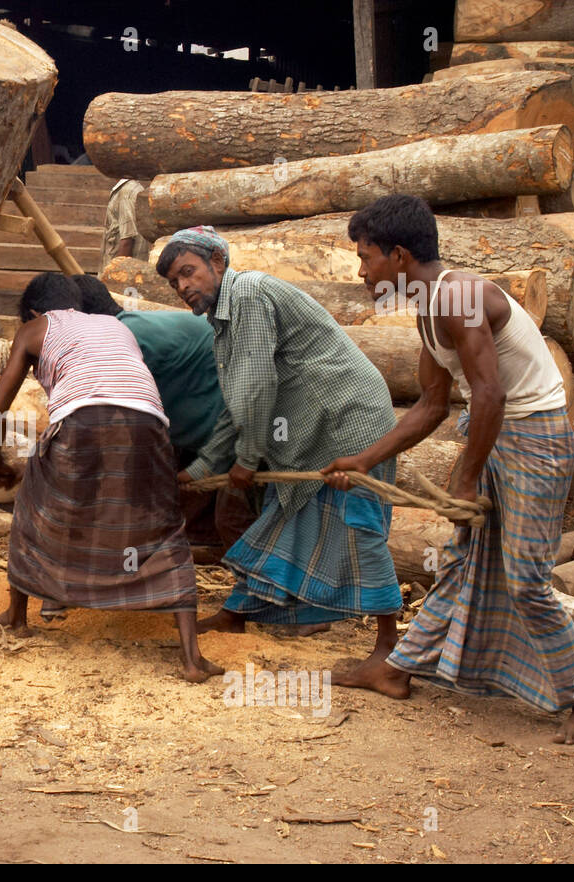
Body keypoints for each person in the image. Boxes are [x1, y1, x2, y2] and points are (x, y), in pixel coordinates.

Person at [323, 194, 574, 745]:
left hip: (535, 441)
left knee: (526, 579)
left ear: (400, 255)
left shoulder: (459, 296)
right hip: (498, 435)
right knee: (461, 561)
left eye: (366, 258)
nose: (362, 271)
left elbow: (490, 392)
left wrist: (468, 475)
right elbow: (433, 404)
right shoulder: (430, 308)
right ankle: (395, 668)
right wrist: (364, 460)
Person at [159, 226, 402, 640]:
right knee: (277, 519)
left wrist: (246, 460)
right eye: (174, 281)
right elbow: (235, 407)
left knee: (361, 528)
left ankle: (387, 645)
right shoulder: (223, 322)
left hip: (351, 425)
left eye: (188, 272)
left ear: (217, 262)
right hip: (311, 434)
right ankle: (236, 613)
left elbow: (257, 386)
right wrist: (201, 469)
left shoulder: (249, 293)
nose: (183, 286)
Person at [0, 272, 223, 683]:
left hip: (82, 420)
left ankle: (17, 616)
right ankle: (191, 659)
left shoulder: (34, 328)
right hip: (149, 425)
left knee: (32, 509)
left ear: (38, 311)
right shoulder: (113, 324)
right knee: (163, 528)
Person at [72, 273, 255, 552]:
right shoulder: (130, 330)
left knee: (234, 521)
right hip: (205, 430)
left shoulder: (126, 342)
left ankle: (267, 586)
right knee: (186, 520)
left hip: (241, 430)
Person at [100, 179, 150, 272]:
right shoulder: (127, 189)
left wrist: (116, 274)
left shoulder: (127, 192)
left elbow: (127, 241)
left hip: (123, 271)